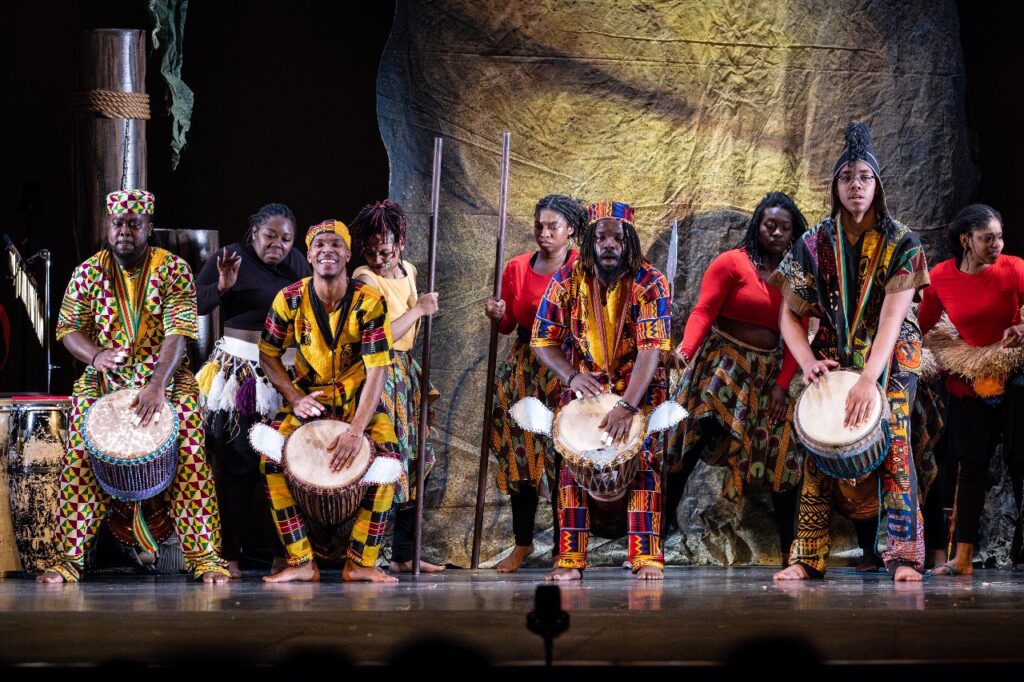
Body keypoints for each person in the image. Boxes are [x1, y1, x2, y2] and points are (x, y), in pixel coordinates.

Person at [37, 189, 229, 583]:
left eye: (134, 224)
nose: (124, 231)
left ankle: (204, 557)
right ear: (110, 225)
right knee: (78, 459)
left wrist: (157, 384)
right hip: (104, 379)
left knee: (191, 454)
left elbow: (179, 332)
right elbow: (68, 328)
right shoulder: (88, 271)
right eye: (118, 223)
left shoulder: (172, 269)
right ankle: (67, 561)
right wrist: (95, 357)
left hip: (167, 378)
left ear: (148, 227)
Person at [771, 122, 931, 582]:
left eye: (864, 177)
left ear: (877, 184)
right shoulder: (812, 243)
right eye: (846, 177)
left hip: (894, 353)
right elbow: (789, 316)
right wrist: (807, 363)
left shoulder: (903, 241)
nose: (855, 186)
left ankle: (904, 556)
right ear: (835, 186)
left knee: (894, 439)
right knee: (818, 440)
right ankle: (806, 557)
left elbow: (892, 318)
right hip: (836, 350)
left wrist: (867, 381)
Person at [532, 201, 671, 580]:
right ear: (590, 242)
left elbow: (651, 350)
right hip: (586, 391)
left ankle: (646, 556)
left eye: (617, 237)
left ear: (630, 241)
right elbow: (542, 339)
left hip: (638, 388)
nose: (609, 244)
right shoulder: (566, 280)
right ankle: (571, 559)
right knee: (570, 467)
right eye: (601, 237)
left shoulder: (651, 281)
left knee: (644, 465)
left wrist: (628, 405)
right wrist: (571, 377)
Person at [258, 219, 400, 583]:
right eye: (320, 245)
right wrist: (294, 396)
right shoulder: (288, 298)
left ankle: (361, 562)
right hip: (310, 400)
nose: (327, 250)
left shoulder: (370, 301)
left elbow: (376, 371)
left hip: (358, 401)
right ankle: (301, 561)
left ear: (348, 254)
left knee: (388, 461)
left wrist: (356, 431)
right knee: (270, 460)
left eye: (336, 244)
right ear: (309, 255)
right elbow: (267, 354)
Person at [669, 192, 807, 563]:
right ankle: (652, 542)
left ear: (794, 232)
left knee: (781, 460)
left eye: (784, 227)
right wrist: (684, 352)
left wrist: (782, 384)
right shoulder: (731, 262)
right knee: (689, 444)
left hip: (768, 375)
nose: (776, 232)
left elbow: (799, 337)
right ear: (757, 225)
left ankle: (791, 554)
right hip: (721, 366)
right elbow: (703, 311)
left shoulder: (798, 277)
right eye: (769, 225)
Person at [194, 202, 311, 578]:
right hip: (240, 374)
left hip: (286, 374)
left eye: (286, 238)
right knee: (238, 463)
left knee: (283, 463)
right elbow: (195, 304)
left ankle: (282, 551)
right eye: (270, 236)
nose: (278, 244)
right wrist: (222, 286)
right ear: (254, 233)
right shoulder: (230, 257)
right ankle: (229, 553)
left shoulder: (298, 265)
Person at [919, 204, 1024, 575]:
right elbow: (925, 322)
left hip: (1014, 378)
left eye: (999, 236)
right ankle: (962, 558)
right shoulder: (941, 277)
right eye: (987, 238)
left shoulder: (1014, 268)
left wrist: (1022, 329)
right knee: (969, 467)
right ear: (966, 239)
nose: (996, 244)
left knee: (1020, 462)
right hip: (968, 382)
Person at [484, 194, 584, 572]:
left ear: (570, 230)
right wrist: (498, 314)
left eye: (553, 227)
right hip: (526, 367)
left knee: (566, 457)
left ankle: (567, 548)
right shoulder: (516, 268)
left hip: (567, 366)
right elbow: (509, 325)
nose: (543, 233)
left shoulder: (582, 268)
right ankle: (522, 544)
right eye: (540, 226)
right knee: (521, 457)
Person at [350, 199, 444, 574]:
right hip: (379, 373)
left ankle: (405, 554)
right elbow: (379, 338)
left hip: (405, 373)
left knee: (415, 460)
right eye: (370, 250)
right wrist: (419, 310)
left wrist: (417, 309)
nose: (377, 257)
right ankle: (373, 554)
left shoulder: (409, 270)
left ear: (400, 243)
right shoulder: (364, 280)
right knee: (387, 461)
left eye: (384, 250)